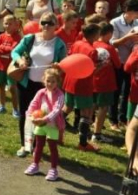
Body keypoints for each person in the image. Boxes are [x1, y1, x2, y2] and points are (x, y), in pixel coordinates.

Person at [11, 12, 68, 157]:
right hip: (27, 82)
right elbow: (15, 52)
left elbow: (64, 65)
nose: (46, 26)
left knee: (43, 116)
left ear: (56, 25)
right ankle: (25, 145)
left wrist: (58, 66)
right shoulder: (30, 38)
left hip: (46, 87)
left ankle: (37, 146)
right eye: (43, 22)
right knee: (26, 114)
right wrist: (20, 61)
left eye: (50, 23)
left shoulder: (59, 44)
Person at [23, 68, 65, 181]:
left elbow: (56, 111)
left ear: (58, 82)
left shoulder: (60, 95)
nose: (50, 84)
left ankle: (53, 169)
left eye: (53, 81)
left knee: (52, 147)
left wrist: (44, 119)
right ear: (43, 80)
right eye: (48, 81)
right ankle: (35, 165)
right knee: (38, 145)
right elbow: (33, 104)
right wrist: (30, 116)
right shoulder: (41, 92)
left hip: (53, 125)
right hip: (41, 124)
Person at [65, 23, 101, 152]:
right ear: (95, 34)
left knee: (67, 107)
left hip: (70, 80)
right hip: (83, 84)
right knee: (86, 113)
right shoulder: (92, 51)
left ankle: (54, 133)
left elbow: (70, 58)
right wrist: (102, 65)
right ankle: (83, 143)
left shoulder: (77, 43)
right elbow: (91, 71)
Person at [110, 0, 138, 130]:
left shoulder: (137, 23)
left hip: (131, 62)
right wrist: (128, 37)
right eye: (135, 11)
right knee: (115, 91)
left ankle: (123, 118)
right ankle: (113, 119)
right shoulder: (115, 22)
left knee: (127, 91)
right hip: (118, 61)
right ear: (128, 11)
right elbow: (112, 43)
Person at [92, 22, 120, 144]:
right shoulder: (109, 48)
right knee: (103, 109)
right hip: (106, 82)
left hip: (92, 80)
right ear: (108, 34)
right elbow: (118, 64)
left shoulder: (92, 44)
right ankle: (97, 134)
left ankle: (86, 129)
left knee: (91, 106)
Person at [0, 16, 22, 116]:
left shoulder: (18, 37)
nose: (8, 26)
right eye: (6, 23)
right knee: (1, 86)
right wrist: (6, 48)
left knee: (12, 88)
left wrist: (2, 47)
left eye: (10, 24)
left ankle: (15, 109)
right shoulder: (1, 36)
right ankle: (2, 106)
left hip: (11, 67)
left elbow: (14, 49)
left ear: (15, 25)